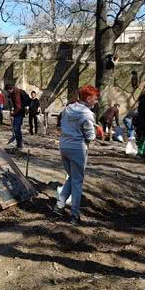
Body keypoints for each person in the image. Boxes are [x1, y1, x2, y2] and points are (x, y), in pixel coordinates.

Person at [52, 85, 98, 226]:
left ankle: (59, 206)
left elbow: (61, 124)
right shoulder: (87, 114)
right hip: (77, 148)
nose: (96, 102)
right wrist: (95, 133)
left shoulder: (67, 109)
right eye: (95, 99)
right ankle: (74, 215)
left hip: (64, 146)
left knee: (72, 178)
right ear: (88, 98)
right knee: (77, 182)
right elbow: (90, 136)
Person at [5, 83, 29, 149]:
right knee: (16, 128)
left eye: (8, 91)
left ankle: (19, 144)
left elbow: (18, 106)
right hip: (17, 112)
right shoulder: (12, 93)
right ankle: (18, 144)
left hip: (19, 112)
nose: (7, 93)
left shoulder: (16, 94)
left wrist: (13, 113)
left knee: (16, 128)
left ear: (10, 89)